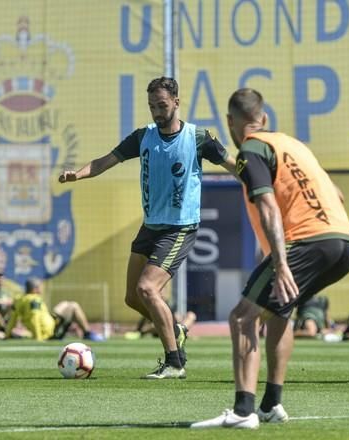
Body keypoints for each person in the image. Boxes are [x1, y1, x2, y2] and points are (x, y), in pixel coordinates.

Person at [191, 88, 349, 429]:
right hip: (343, 240)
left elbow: (267, 205)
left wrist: (281, 263)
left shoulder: (250, 149)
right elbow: (337, 193)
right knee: (280, 312)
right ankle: (270, 405)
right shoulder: (293, 144)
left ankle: (242, 412)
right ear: (264, 118)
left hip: (306, 241)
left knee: (241, 317)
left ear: (230, 122)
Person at [59, 77, 236, 379]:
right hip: (150, 227)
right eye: (152, 106)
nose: (156, 111)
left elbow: (232, 164)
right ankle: (175, 328)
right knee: (133, 297)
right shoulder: (143, 137)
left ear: (177, 103)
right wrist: (77, 174)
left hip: (179, 229)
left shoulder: (198, 137)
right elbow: (105, 161)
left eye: (162, 105)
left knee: (147, 288)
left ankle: (174, 363)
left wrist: (260, 185)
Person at [4, 277, 104, 342]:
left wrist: (6, 335)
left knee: (64, 304)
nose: (41, 289)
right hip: (52, 333)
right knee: (74, 306)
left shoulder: (19, 299)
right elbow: (35, 318)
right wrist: (39, 338)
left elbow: (13, 318)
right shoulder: (34, 300)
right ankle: (87, 333)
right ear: (35, 289)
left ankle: (85, 332)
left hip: (52, 322)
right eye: (40, 287)